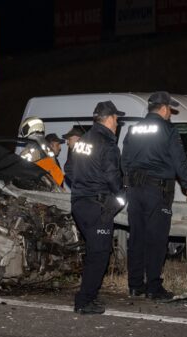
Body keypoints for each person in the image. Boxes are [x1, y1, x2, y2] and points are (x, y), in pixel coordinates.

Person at [121, 91, 187, 300]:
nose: (170, 113)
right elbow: (178, 160)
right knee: (156, 239)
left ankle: (135, 285)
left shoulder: (134, 129)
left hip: (135, 191)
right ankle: (153, 287)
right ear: (163, 108)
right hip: (157, 191)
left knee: (136, 237)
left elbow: (124, 159)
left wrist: (128, 184)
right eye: (170, 109)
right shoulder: (168, 129)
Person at [69, 101, 126, 315]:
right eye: (117, 119)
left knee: (94, 252)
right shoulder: (108, 144)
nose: (118, 123)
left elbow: (69, 168)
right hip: (97, 206)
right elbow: (113, 176)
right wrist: (120, 195)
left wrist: (83, 184)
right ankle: (84, 301)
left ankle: (88, 297)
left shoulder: (83, 140)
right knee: (99, 254)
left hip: (79, 203)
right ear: (109, 118)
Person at [18, 117, 64, 186]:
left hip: (36, 189)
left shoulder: (32, 147)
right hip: (50, 188)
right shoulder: (46, 147)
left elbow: (19, 171)